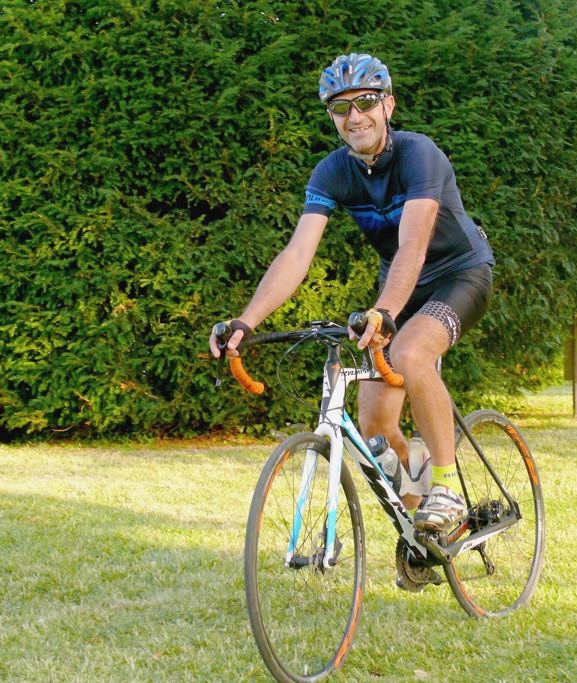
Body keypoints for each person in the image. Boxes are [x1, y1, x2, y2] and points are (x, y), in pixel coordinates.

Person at [209, 53, 494, 533]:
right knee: (375, 424)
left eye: (365, 102)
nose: (355, 116)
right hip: (399, 290)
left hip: (458, 275)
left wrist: (384, 311)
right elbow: (297, 254)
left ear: (388, 106)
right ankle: (421, 530)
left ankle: (446, 488)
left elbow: (413, 246)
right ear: (332, 117)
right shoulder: (332, 172)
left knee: (410, 352)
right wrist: (245, 321)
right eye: (341, 108)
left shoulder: (419, 154)